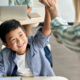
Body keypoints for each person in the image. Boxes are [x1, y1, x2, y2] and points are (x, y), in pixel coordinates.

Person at [0, 7, 55, 77]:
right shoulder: (4, 54)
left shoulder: (35, 43)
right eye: (13, 39)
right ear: (6, 44)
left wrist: (48, 9)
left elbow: (46, 31)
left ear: (25, 33)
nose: (19, 41)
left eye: (21, 35)